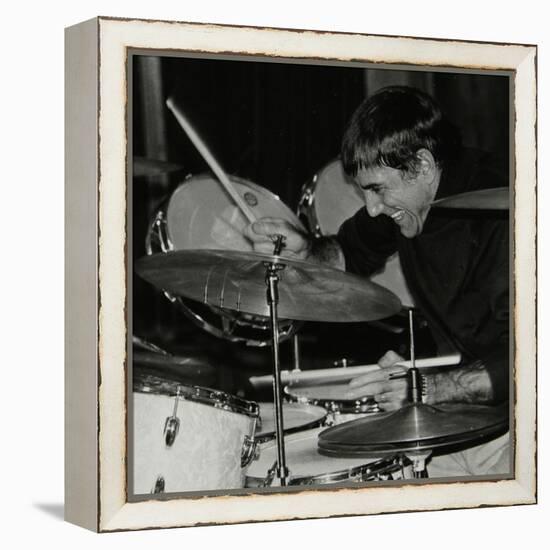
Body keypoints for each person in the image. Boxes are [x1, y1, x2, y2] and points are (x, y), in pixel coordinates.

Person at [244, 86, 510, 476]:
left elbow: (532, 359)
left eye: (377, 189)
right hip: (462, 417)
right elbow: (349, 252)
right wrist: (305, 251)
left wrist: (425, 390)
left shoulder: (505, 210)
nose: (372, 207)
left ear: (420, 164)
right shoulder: (406, 200)